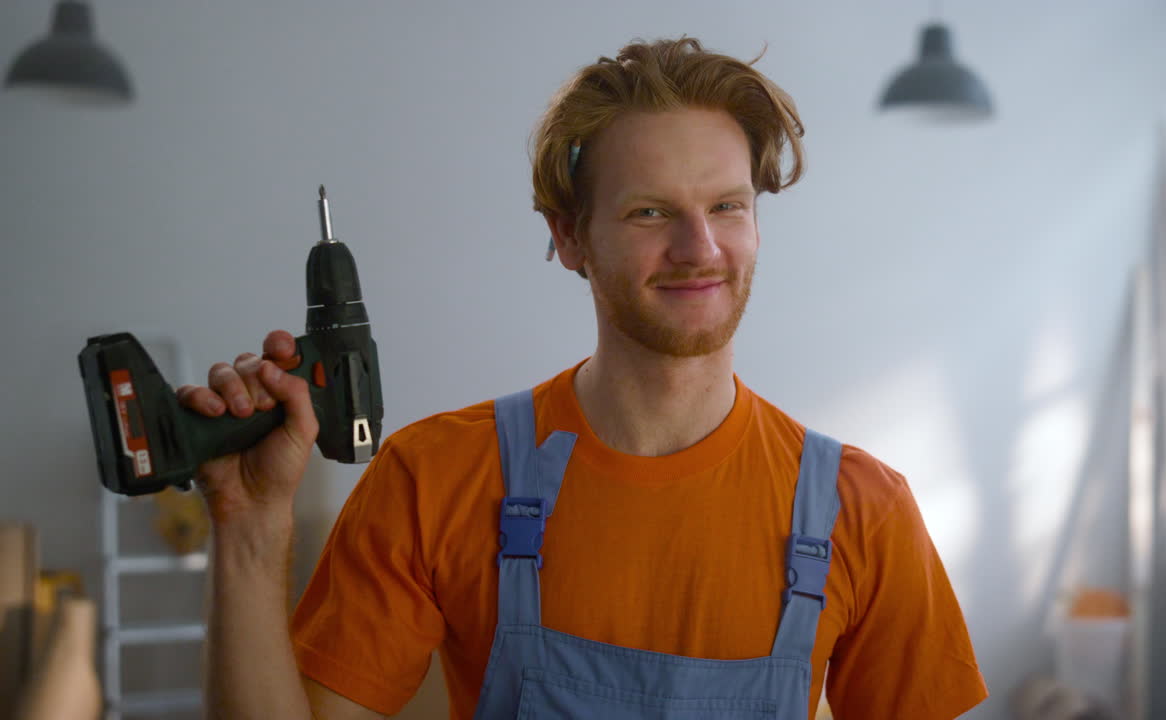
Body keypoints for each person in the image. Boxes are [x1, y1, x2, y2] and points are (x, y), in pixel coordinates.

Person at [181, 37, 988, 720]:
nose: (700, 248)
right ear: (569, 237)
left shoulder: (864, 511)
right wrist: (249, 527)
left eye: (729, 207)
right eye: (650, 212)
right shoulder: (437, 478)